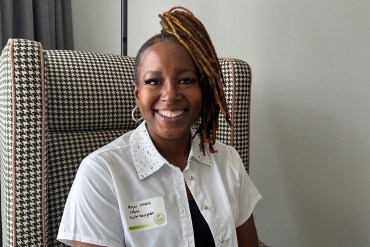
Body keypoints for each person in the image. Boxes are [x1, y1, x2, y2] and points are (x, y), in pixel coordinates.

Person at [57, 6, 261, 247]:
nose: (170, 95)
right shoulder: (101, 173)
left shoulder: (228, 161)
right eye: (154, 81)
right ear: (137, 94)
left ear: (202, 90)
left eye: (186, 80)